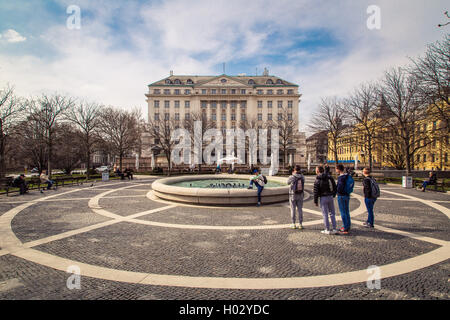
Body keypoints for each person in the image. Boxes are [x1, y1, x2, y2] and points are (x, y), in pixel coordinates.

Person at [313, 166, 338, 235]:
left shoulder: (317, 179)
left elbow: (316, 191)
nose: (315, 171)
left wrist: (315, 201)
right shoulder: (329, 177)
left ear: (318, 171)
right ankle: (334, 228)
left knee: (325, 214)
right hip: (330, 197)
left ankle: (327, 229)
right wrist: (333, 194)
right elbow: (334, 187)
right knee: (332, 213)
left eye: (316, 169)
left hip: (323, 198)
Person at [336, 164, 353, 235]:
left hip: (341, 196)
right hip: (347, 195)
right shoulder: (347, 176)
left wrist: (336, 191)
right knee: (346, 211)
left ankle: (345, 227)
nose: (335, 170)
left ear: (338, 169)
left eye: (336, 169)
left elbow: (339, 188)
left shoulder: (341, 178)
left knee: (342, 212)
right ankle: (348, 225)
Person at [287, 164, 305, 229]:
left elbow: (287, 182)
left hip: (293, 195)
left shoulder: (292, 176)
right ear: (300, 170)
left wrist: (292, 174)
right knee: (300, 209)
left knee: (293, 209)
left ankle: (293, 223)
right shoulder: (302, 176)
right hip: (300, 194)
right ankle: (300, 224)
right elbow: (304, 182)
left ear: (294, 170)